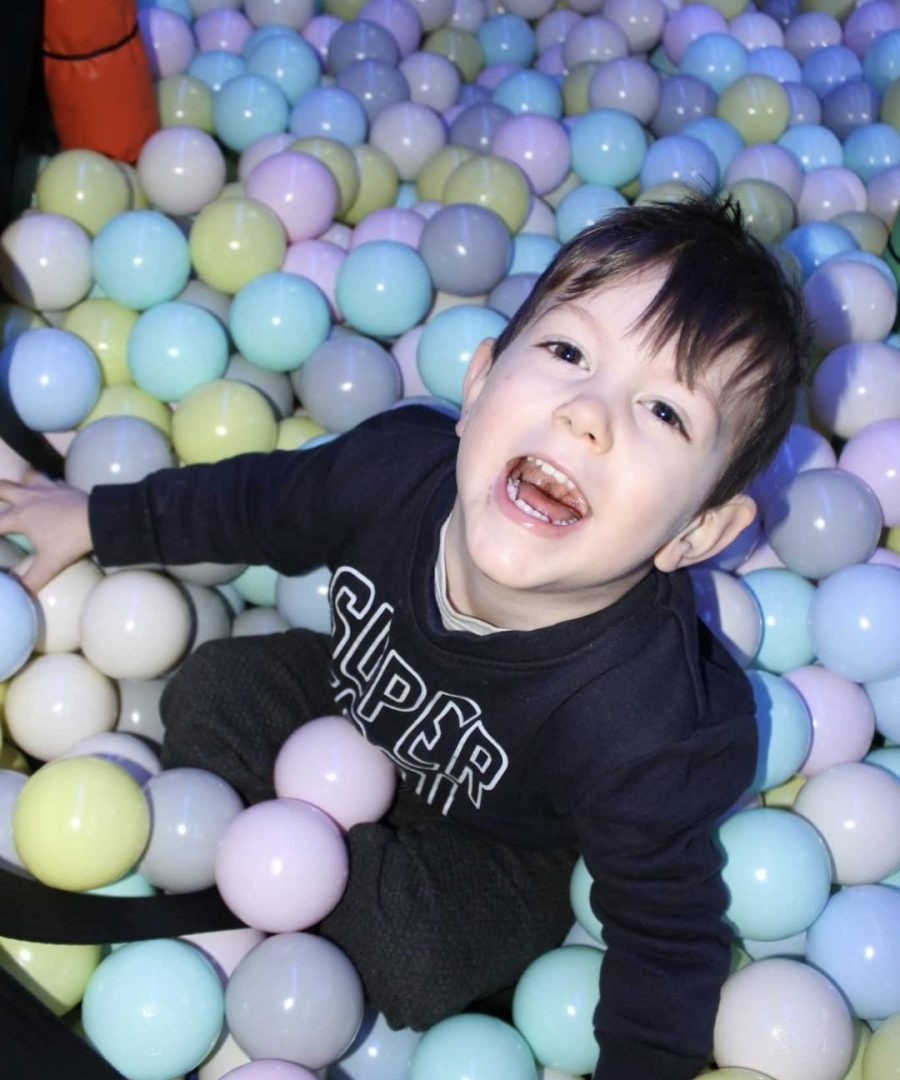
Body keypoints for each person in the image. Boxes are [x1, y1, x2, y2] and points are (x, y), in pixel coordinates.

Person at [0, 195, 809, 1078]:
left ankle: (286, 888)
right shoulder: (392, 473)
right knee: (211, 688)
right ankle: (273, 876)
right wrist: (97, 519)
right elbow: (258, 502)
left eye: (664, 413)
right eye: (569, 351)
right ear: (478, 383)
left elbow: (666, 946)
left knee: (423, 961)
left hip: (498, 843)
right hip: (346, 707)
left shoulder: (642, 725)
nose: (588, 414)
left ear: (693, 535)